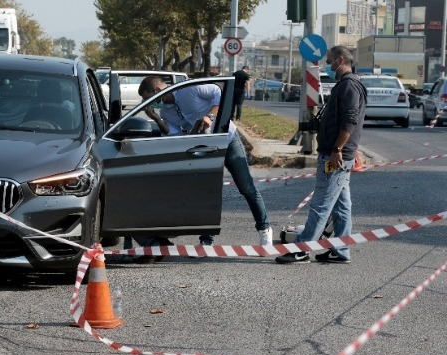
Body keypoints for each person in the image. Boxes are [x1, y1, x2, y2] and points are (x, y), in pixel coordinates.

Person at [138, 76, 273, 247]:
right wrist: (157, 119)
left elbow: (219, 93)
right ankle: (206, 240)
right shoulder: (166, 111)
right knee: (208, 192)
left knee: (246, 187)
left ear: (157, 91)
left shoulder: (189, 88)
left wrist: (210, 116)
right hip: (203, 148)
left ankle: (264, 228)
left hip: (227, 139)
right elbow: (175, 135)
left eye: (147, 98)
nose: (147, 103)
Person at [276, 45, 367, 264]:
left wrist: (337, 150)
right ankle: (341, 250)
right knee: (342, 208)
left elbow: (350, 121)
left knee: (320, 205)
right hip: (339, 155)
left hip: (335, 156)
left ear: (341, 60)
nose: (328, 65)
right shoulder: (347, 84)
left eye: (330, 61)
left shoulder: (349, 86)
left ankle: (302, 248)